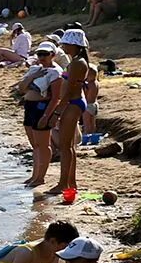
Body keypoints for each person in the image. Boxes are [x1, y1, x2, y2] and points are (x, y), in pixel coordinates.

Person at [38, 30, 97, 195]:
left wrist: (56, 113)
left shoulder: (78, 63)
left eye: (65, 43)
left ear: (74, 45)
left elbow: (70, 90)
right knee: (69, 146)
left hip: (72, 103)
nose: (63, 46)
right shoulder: (77, 61)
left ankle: (63, 183)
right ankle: (71, 183)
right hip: (72, 102)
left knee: (65, 146)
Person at [15, 43, 66, 188]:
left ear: (53, 55)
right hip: (29, 107)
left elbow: (56, 97)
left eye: (46, 54)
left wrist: (46, 116)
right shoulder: (35, 69)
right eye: (40, 54)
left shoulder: (56, 72)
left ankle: (40, 177)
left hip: (42, 108)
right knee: (35, 145)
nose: (42, 57)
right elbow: (21, 88)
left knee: (43, 145)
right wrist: (34, 75)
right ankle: (34, 175)